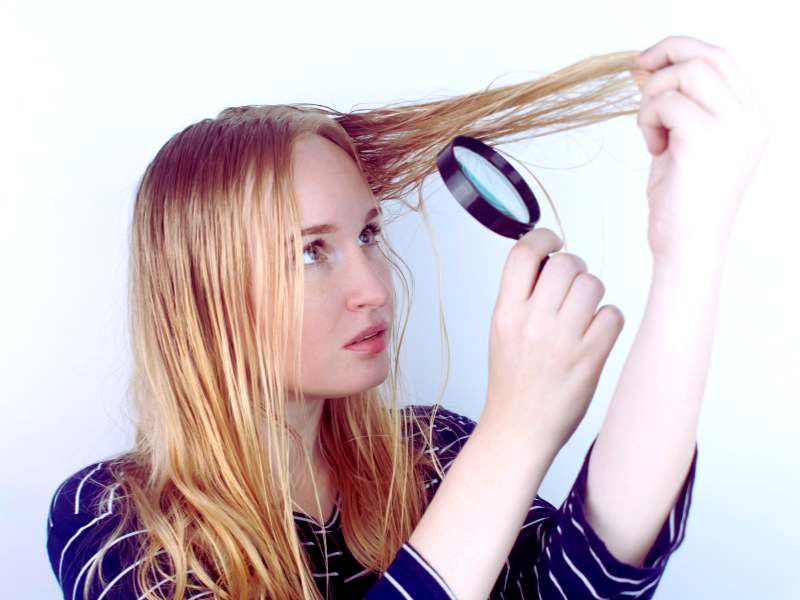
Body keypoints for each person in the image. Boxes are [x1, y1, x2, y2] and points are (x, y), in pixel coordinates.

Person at [47, 35, 770, 600]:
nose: (374, 288)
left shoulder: (429, 454)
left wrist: (688, 254)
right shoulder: (114, 524)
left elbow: (592, 575)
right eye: (309, 253)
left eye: (367, 235)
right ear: (204, 291)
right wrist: (515, 436)